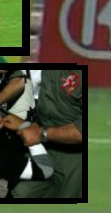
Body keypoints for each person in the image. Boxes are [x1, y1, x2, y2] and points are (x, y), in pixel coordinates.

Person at [17, 70, 83, 198]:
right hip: (41, 145)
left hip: (75, 153)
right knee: (23, 192)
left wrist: (42, 134)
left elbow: (81, 131)